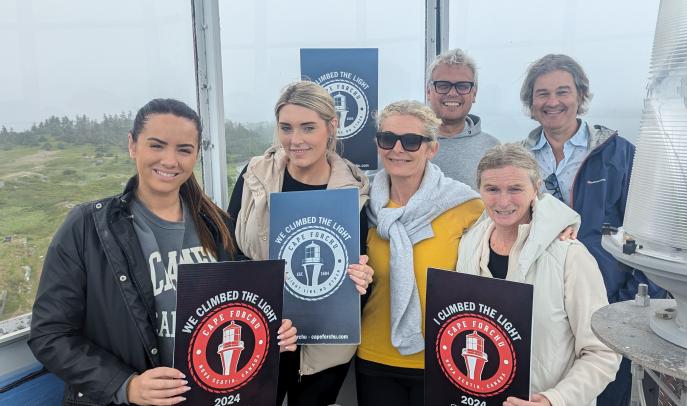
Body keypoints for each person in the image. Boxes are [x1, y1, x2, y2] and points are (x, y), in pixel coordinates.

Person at [28, 99, 298, 405]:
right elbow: (49, 334)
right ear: (132, 145)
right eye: (157, 145)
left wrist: (273, 328)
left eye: (184, 149)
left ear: (196, 154)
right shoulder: (88, 227)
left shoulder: (217, 225)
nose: (170, 161)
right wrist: (126, 386)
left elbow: (238, 309)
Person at [518, 53, 664, 405]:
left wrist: (623, 309)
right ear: (531, 102)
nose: (552, 102)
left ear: (581, 96)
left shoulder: (620, 155)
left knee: (601, 391)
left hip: (606, 312)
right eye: (542, 93)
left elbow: (652, 240)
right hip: (541, 316)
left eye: (563, 91)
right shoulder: (518, 159)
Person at [226, 81, 374, 406]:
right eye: (286, 128)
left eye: (308, 128)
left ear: (331, 126)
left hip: (326, 344)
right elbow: (228, 249)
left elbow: (362, 267)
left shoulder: (355, 192)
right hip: (262, 333)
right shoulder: (255, 176)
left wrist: (362, 279)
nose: (296, 140)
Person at [456, 143, 621, 406]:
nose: (503, 201)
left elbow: (602, 352)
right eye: (492, 189)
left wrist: (553, 400)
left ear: (536, 188)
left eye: (515, 189)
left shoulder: (569, 255)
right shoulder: (468, 245)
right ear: (480, 191)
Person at [356, 100, 484, 406]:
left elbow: (516, 221)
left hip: (444, 358)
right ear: (378, 144)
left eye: (412, 141)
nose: (398, 149)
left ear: (432, 149)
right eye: (389, 139)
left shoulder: (465, 205)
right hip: (374, 357)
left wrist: (563, 225)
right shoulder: (362, 204)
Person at [426, 48, 500, 188]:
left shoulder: (493, 149)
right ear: (428, 92)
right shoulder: (404, 143)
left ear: (474, 94)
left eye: (462, 86)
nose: (452, 93)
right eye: (443, 85)